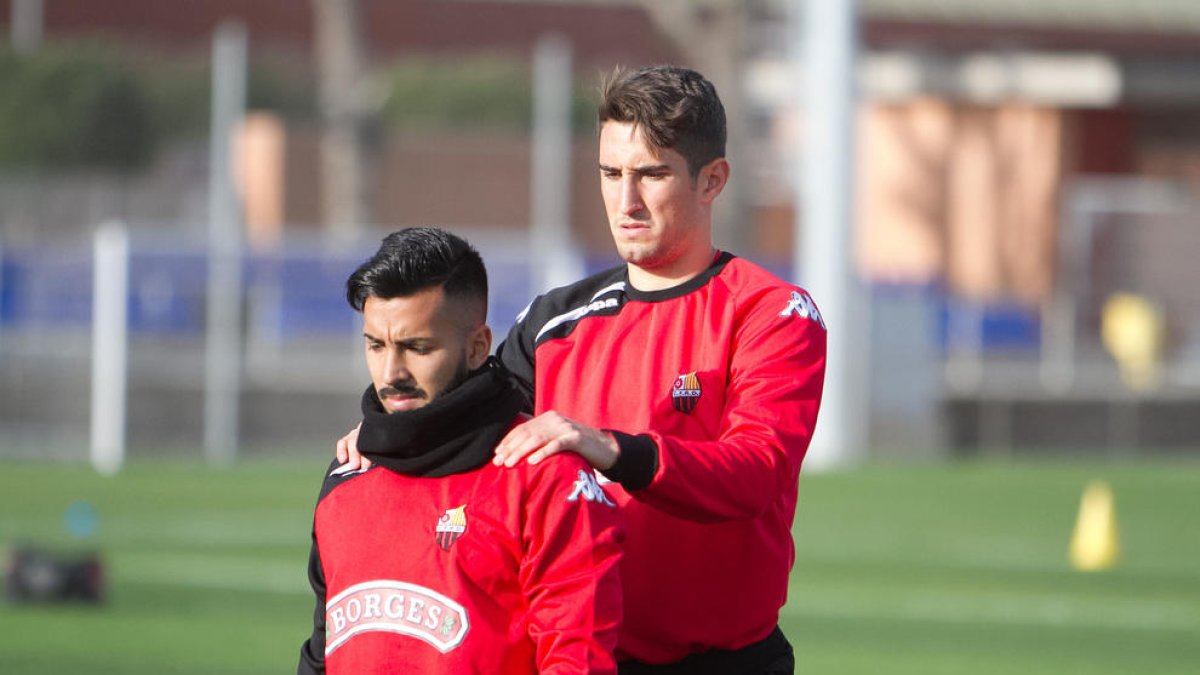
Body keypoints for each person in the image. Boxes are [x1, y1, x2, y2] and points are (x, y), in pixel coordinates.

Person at [341, 65, 826, 673]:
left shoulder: (771, 311)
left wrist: (609, 448)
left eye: (651, 174)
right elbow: (465, 422)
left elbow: (756, 471)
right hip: (583, 657)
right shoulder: (554, 320)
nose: (626, 201)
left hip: (728, 661)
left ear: (712, 180)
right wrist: (385, 433)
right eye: (611, 173)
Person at [299, 227, 623, 675]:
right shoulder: (348, 475)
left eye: (417, 347)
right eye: (376, 345)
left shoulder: (544, 477)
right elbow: (321, 655)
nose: (391, 372)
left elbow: (578, 660)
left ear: (477, 347)